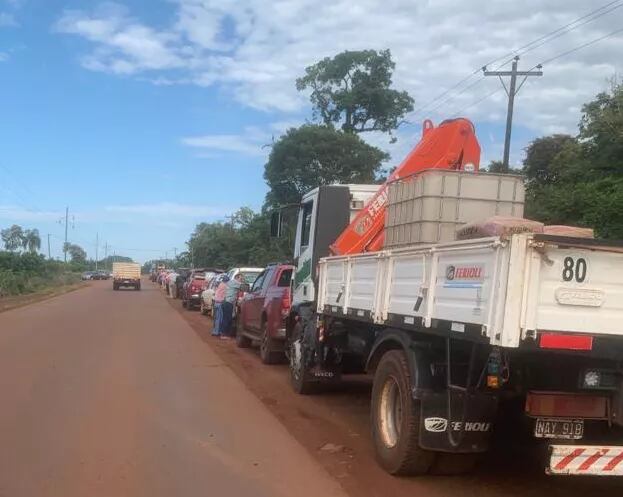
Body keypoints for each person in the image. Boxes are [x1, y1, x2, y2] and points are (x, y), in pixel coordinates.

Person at [220, 273, 243, 340]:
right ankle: (224, 334)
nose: (241, 280)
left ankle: (225, 334)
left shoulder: (230, 282)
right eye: (240, 279)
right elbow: (244, 287)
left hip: (226, 302)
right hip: (228, 302)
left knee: (227, 319)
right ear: (236, 278)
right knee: (227, 319)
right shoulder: (235, 282)